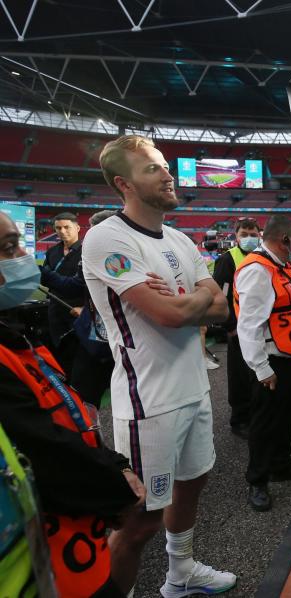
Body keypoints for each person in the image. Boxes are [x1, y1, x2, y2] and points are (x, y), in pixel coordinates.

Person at [83, 135, 236, 597]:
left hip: (194, 389)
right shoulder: (107, 237)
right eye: (153, 168)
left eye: (165, 165)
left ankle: (181, 573)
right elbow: (170, 316)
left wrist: (189, 302)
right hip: (149, 402)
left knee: (193, 483)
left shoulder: (179, 237)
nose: (168, 174)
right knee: (140, 519)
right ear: (123, 183)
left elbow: (222, 309)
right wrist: (196, 300)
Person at [0, 210, 144, 597]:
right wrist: (116, 490)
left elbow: (64, 415)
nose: (21, 257)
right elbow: (43, 446)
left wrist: (113, 465)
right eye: (8, 248)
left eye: (17, 244)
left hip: (70, 560)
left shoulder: (17, 338)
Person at [235, 215, 291, 511]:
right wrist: (261, 368)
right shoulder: (258, 269)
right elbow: (249, 325)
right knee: (265, 423)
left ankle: (282, 464)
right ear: (285, 239)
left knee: (287, 417)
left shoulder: (280, 267)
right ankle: (257, 480)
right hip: (272, 361)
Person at [41, 209, 117, 412]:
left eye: (95, 231)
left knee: (87, 388)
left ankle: (89, 433)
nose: (91, 236)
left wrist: (42, 274)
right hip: (88, 325)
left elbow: (78, 285)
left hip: (103, 331)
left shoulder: (105, 256)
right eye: (58, 228)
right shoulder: (54, 252)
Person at [212, 218, 262, 438]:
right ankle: (240, 419)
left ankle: (256, 414)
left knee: (258, 373)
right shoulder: (227, 259)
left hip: (261, 327)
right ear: (236, 235)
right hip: (239, 329)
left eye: (253, 233)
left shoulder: (262, 257)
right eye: (245, 234)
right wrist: (230, 327)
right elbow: (220, 296)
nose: (249, 238)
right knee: (240, 376)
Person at [40, 212, 85, 376]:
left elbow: (92, 285)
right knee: (57, 348)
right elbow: (44, 279)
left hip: (77, 310)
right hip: (55, 309)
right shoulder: (51, 252)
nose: (62, 231)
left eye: (67, 227)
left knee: (78, 352)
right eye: (58, 228)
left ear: (77, 228)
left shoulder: (87, 251)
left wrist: (85, 308)